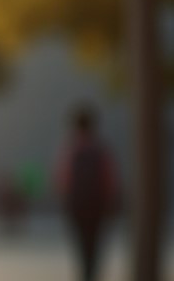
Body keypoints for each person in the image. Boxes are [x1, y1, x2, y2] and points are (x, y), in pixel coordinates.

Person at [55, 104, 119, 281]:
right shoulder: (101, 150)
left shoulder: (71, 150)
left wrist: (65, 201)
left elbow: (63, 180)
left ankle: (85, 274)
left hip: (77, 206)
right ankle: (92, 273)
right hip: (97, 206)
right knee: (95, 244)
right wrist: (110, 203)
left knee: (81, 245)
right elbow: (110, 180)